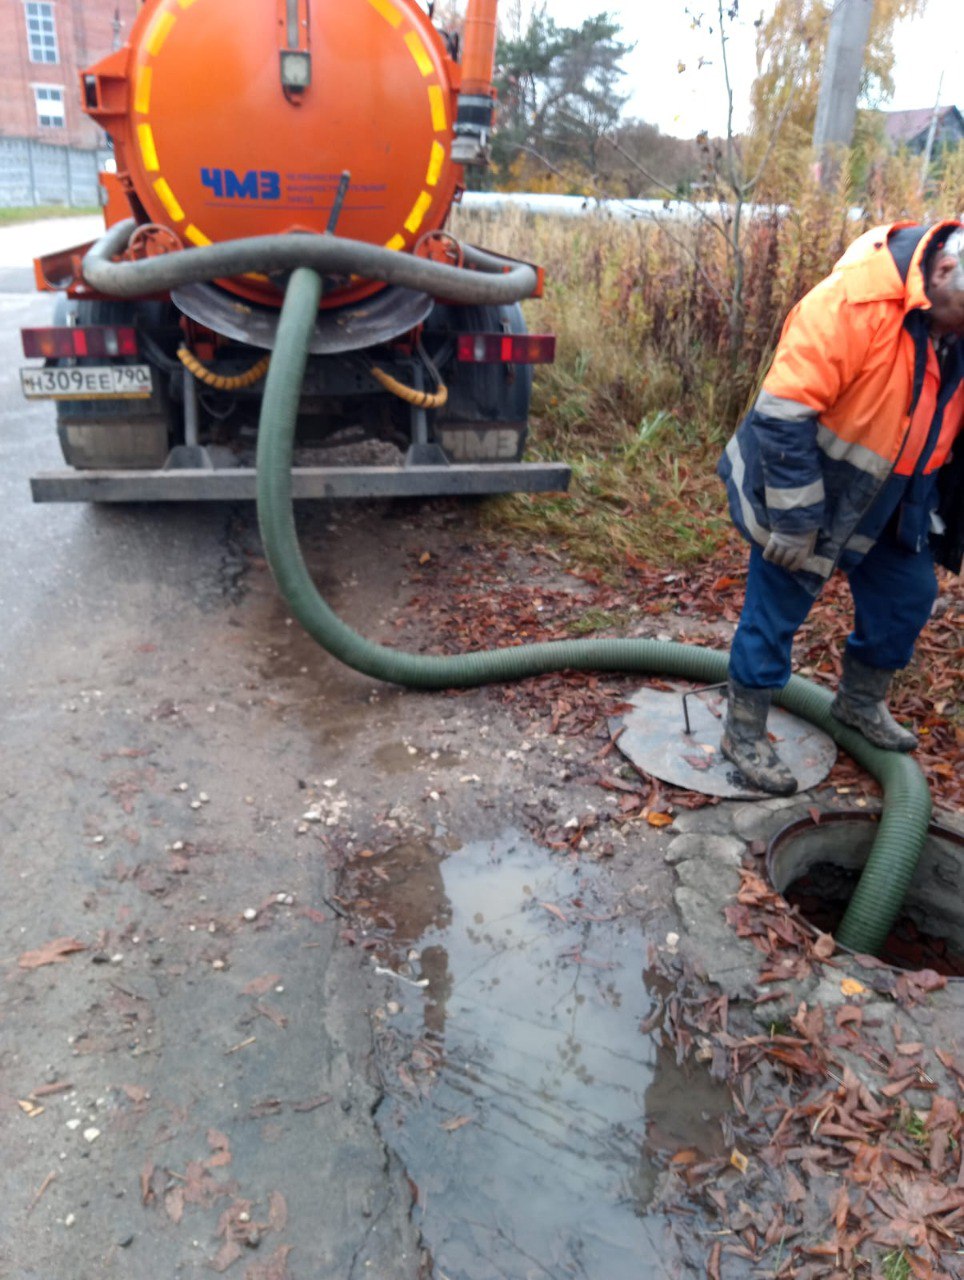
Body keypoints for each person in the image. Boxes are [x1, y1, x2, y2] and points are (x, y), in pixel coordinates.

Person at [717, 220, 964, 794]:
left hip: (898, 499)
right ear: (945, 273)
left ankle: (858, 703)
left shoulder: (954, 318)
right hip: (808, 489)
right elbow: (782, 414)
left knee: (909, 596)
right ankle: (744, 730)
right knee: (775, 610)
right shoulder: (853, 300)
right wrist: (796, 518)